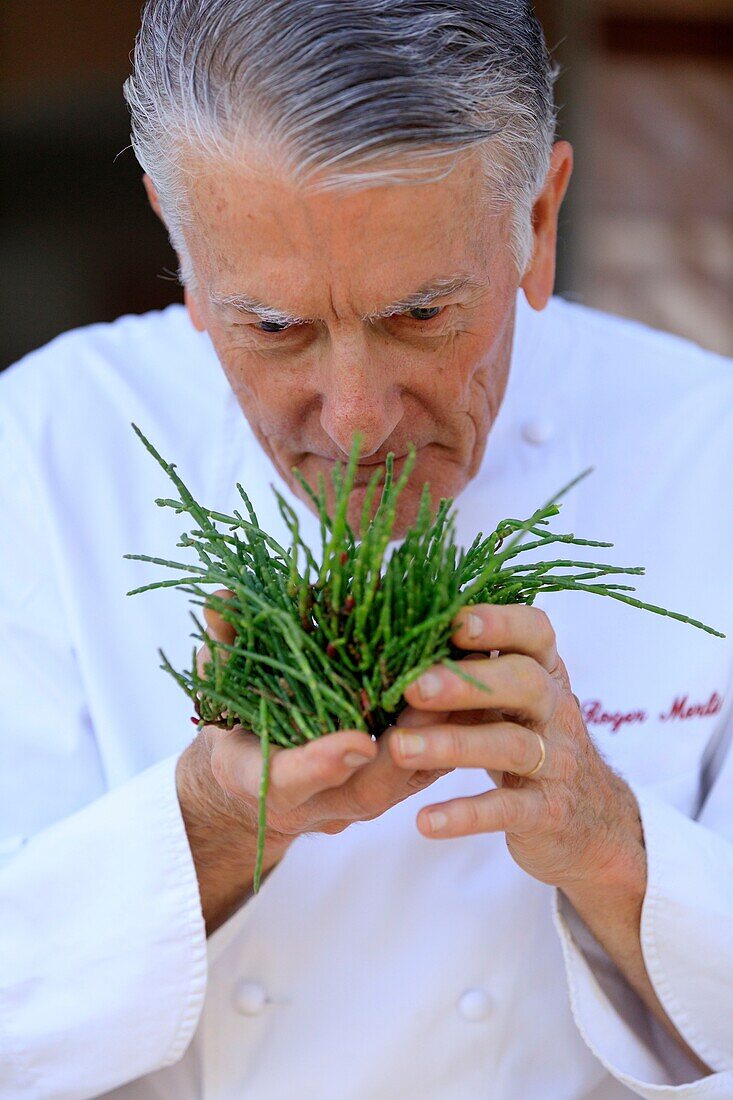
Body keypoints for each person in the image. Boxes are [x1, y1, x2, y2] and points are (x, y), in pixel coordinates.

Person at [1, 1, 731, 1097]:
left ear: (537, 219)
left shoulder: (705, 447)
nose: (354, 419)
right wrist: (205, 819)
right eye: (274, 327)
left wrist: (607, 841)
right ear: (181, 247)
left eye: (422, 314)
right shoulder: (47, 443)